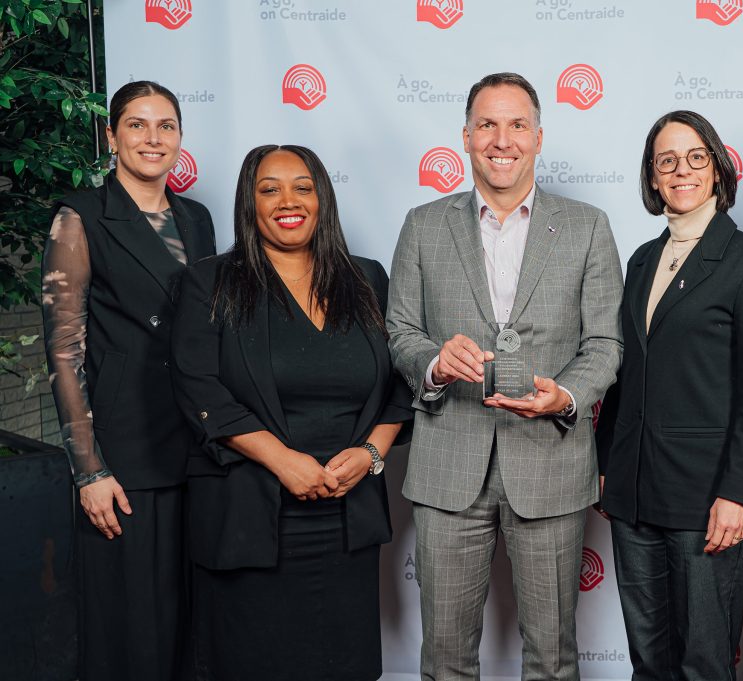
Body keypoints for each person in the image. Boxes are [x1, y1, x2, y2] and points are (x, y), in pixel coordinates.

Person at [386, 72, 623, 680]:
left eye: (517, 124)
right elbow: (401, 332)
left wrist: (565, 395)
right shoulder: (422, 224)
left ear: (539, 137)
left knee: (552, 657)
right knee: (444, 657)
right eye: (487, 124)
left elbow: (604, 342)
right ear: (465, 137)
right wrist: (435, 364)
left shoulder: (587, 225)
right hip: (447, 466)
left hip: (548, 464)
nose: (502, 138)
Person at [170, 144, 412, 680]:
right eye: (269, 188)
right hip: (250, 518)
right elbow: (199, 390)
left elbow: (402, 384)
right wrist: (283, 461)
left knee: (341, 665)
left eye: (303, 187)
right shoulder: (209, 283)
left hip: (347, 517)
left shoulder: (367, 280)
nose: (289, 201)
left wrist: (372, 452)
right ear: (249, 202)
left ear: (321, 198)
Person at [594, 111, 743, 680]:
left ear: (718, 169)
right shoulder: (643, 260)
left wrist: (739, 494)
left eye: (696, 157)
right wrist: (606, 463)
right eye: (666, 160)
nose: (681, 170)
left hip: (706, 498)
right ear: (653, 178)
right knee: (649, 661)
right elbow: (624, 373)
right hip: (633, 492)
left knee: (703, 662)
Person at [41, 80, 216, 681]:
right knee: (130, 630)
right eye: (137, 125)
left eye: (166, 125)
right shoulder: (82, 216)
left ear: (179, 139)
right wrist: (89, 469)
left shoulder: (197, 218)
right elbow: (65, 351)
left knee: (189, 627)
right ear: (112, 136)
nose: (153, 137)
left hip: (198, 446)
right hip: (124, 454)